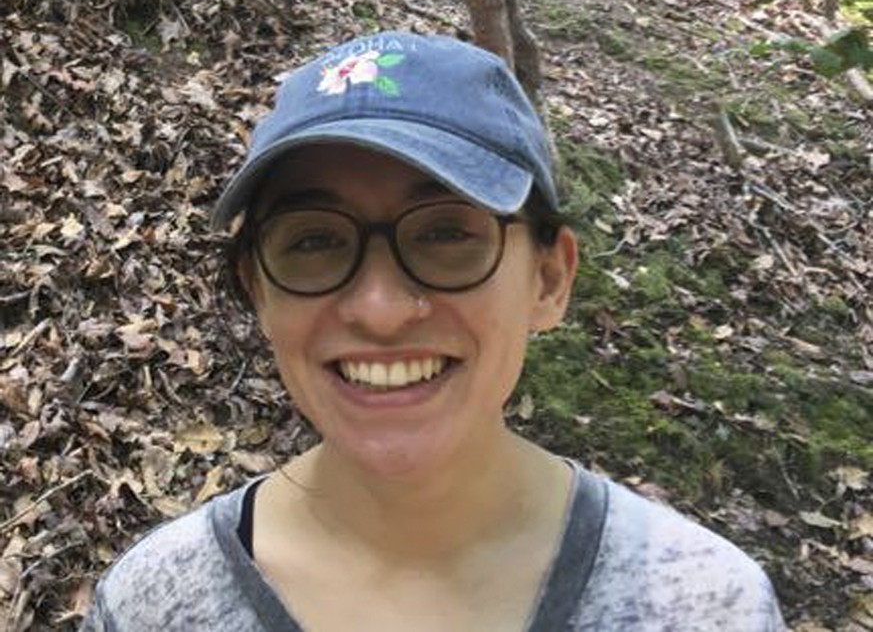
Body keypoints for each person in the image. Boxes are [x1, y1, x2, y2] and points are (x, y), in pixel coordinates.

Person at [80, 31, 786, 631]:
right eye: (314, 241)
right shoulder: (153, 606)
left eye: (447, 233)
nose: (380, 308)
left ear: (548, 279)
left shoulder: (700, 604)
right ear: (257, 288)